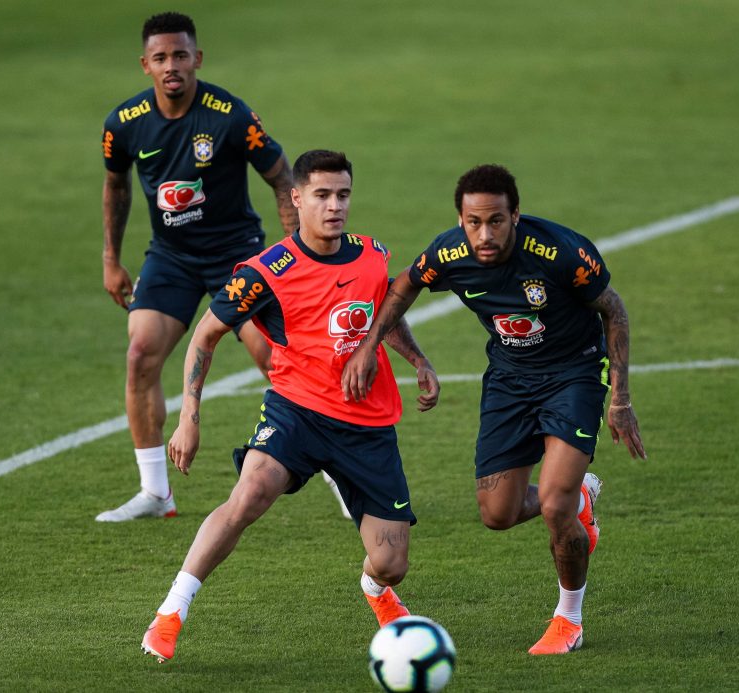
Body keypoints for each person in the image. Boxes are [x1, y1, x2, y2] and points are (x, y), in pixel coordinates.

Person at [140, 150, 440, 663]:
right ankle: (170, 613)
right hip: (295, 411)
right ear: (296, 198)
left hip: (366, 424)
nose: (334, 206)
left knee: (390, 562)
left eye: (343, 195)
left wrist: (417, 359)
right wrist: (190, 417)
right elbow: (203, 338)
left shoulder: (372, 254)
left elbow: (381, 315)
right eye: (322, 195)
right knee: (251, 492)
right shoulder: (265, 272)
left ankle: (378, 593)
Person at [342, 164, 646, 655]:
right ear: (461, 220)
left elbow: (614, 309)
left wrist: (622, 399)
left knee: (553, 505)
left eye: (496, 221)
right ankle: (580, 498)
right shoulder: (449, 253)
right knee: (497, 514)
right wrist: (371, 346)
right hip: (508, 379)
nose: (485, 234)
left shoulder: (562, 252)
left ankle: (569, 618)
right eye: (473, 222)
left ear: (515, 216)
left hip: (574, 375)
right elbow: (405, 285)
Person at [97, 12, 322, 521]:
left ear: (197, 58)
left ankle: (333, 465)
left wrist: (298, 254)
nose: (171, 65)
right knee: (139, 355)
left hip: (236, 255)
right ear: (145, 65)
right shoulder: (124, 124)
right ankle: (156, 493)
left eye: (180, 55)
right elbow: (116, 186)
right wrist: (112, 259)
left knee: (274, 358)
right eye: (160, 58)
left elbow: (281, 176)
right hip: (170, 257)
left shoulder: (229, 116)